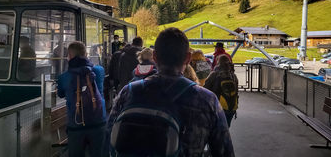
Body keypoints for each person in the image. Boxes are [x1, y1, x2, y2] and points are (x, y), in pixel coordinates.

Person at [107, 28, 234, 156]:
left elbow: (108, 137)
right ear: (188, 58)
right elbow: (225, 151)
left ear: (155, 57)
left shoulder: (128, 92)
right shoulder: (207, 100)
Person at [57, 41, 106, 157]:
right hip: (98, 122)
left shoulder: (64, 77)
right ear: (86, 54)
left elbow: (61, 94)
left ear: (69, 56)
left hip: (75, 124)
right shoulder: (99, 71)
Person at [204, 55, 239, 128]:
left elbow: (205, 89)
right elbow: (236, 92)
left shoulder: (214, 74)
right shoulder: (233, 76)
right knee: (226, 127)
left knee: (216, 129)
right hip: (231, 107)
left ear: (218, 63)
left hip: (218, 107)